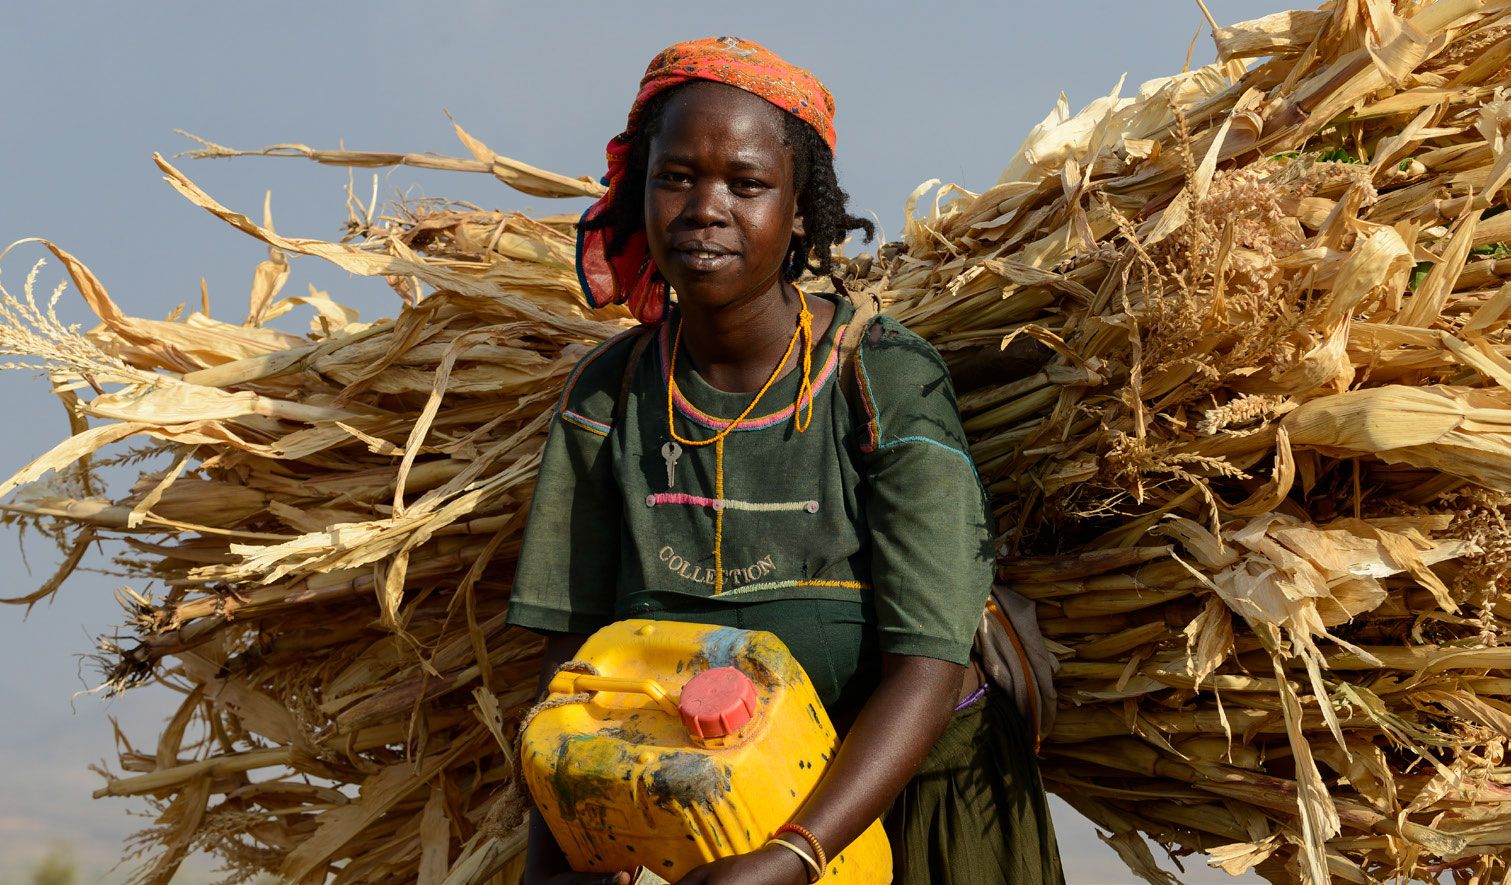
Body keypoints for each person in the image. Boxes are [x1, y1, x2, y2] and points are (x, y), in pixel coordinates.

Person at [505, 36, 1063, 885]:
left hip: (909, 816)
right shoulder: (608, 398)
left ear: (801, 208)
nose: (703, 206)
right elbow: (572, 674)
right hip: (690, 828)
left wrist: (791, 855)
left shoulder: (880, 380)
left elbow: (929, 661)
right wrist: (556, 865)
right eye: (676, 176)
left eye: (745, 182)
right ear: (638, 191)